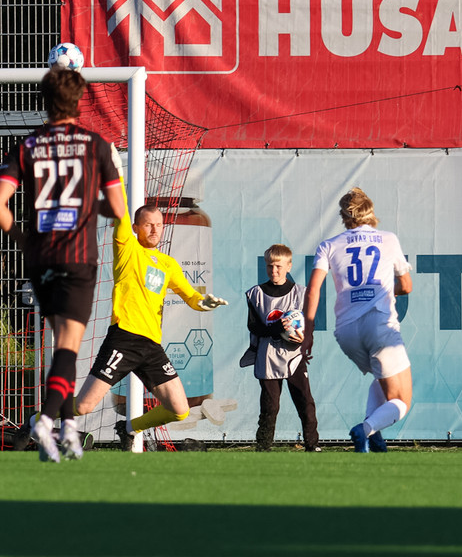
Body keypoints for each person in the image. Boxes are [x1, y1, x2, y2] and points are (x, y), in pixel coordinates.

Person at [0, 66, 126, 462]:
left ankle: (68, 428)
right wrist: (90, 206)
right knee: (69, 346)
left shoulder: (28, 145)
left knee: (61, 346)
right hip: (78, 256)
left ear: (45, 101)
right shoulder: (95, 145)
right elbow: (119, 209)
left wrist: (23, 241)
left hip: (41, 256)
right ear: (80, 101)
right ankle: (46, 420)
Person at [71, 198, 228, 450]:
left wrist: (204, 303)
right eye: (148, 225)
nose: (155, 230)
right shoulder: (127, 249)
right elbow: (119, 209)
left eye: (159, 224)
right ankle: (36, 420)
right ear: (135, 228)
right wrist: (114, 173)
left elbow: (191, 296)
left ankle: (129, 428)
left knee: (180, 410)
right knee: (83, 406)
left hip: (151, 346)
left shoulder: (168, 264)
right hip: (123, 339)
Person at [301, 187, 412, 452]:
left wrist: (308, 332)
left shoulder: (329, 245)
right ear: (370, 212)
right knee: (401, 400)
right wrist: (387, 290)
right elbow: (406, 286)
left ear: (344, 216)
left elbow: (313, 290)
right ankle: (366, 429)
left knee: (381, 376)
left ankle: (374, 436)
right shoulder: (388, 239)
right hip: (379, 324)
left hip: (346, 331)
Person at [241, 244, 320, 452]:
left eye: (278, 266)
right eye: (270, 266)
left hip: (294, 357)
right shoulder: (256, 294)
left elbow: (309, 323)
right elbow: (254, 326)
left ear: (289, 266)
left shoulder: (301, 293)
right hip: (267, 357)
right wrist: (278, 328)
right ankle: (263, 447)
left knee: (305, 402)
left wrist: (303, 339)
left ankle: (312, 445)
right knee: (270, 407)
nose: (274, 270)